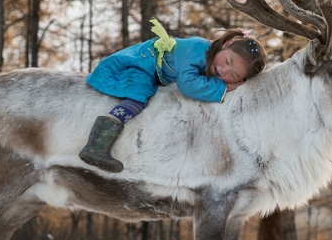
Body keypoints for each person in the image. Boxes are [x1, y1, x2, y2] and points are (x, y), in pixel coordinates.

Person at [79, 18, 267, 172]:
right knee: (138, 97)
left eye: (232, 75)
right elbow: (187, 84)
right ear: (227, 44)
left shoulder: (213, 58)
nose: (223, 70)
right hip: (145, 62)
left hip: (155, 69)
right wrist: (223, 88)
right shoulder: (198, 49)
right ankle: (96, 145)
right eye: (227, 61)